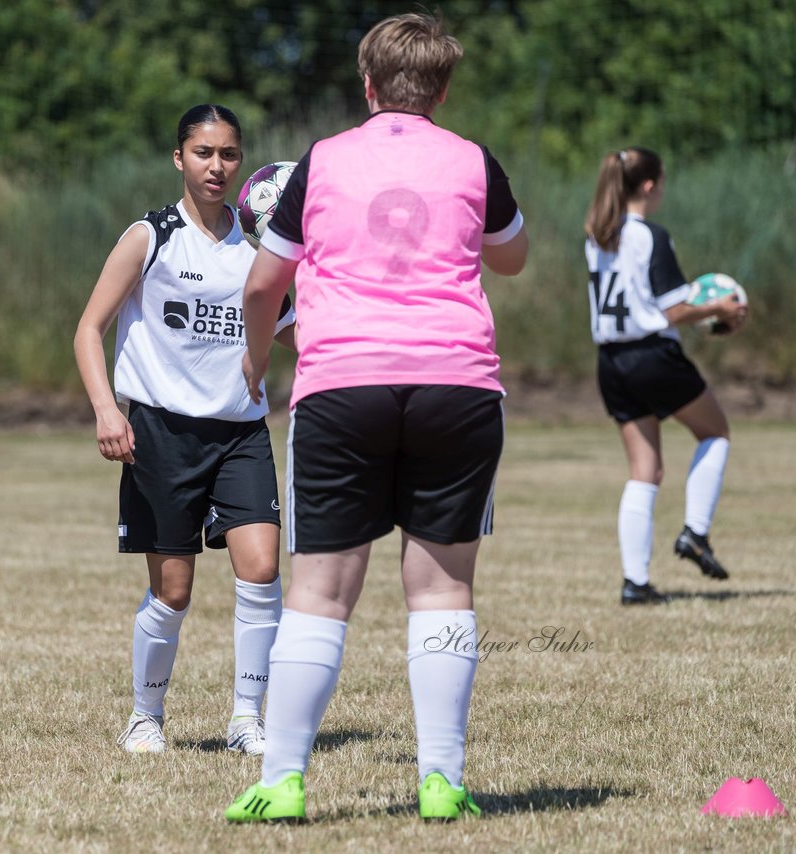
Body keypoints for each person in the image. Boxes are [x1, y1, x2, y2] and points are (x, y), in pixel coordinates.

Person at [224, 13, 529, 823]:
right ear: (443, 88)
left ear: (367, 85)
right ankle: (440, 781)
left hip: (340, 387)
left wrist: (259, 360)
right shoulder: (472, 159)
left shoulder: (321, 160)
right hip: (458, 387)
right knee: (443, 589)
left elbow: (262, 286)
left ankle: (282, 781)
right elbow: (512, 253)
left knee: (319, 592)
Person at [74, 104, 296, 756]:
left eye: (229, 154)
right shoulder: (152, 236)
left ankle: (246, 720)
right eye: (203, 153)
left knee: (260, 571)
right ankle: (147, 716)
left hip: (240, 432)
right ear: (179, 158)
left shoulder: (258, 247)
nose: (217, 166)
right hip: (160, 432)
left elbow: (294, 333)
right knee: (173, 591)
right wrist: (105, 409)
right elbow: (89, 328)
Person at [582, 147, 747, 605]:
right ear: (650, 186)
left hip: (611, 362)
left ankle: (635, 582)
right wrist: (719, 308)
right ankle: (695, 533)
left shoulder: (597, 235)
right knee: (716, 432)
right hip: (652, 355)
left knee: (645, 470)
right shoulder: (650, 235)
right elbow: (673, 309)